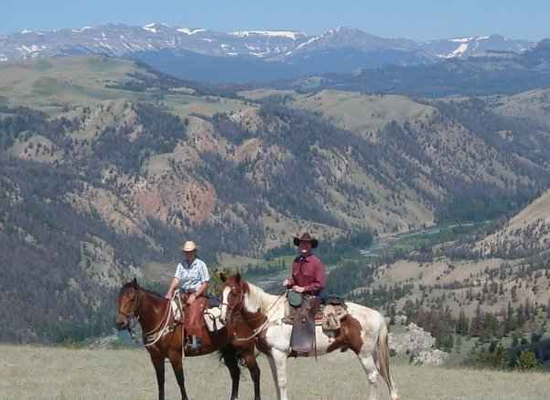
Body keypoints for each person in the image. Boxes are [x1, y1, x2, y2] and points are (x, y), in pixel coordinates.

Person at [165, 240, 210, 350]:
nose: (188, 253)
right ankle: (170, 338)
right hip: (183, 293)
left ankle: (196, 339)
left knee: (193, 311)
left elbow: (205, 283)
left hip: (197, 294)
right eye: (186, 252)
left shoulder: (201, 264)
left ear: (194, 252)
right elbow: (176, 279)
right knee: (169, 309)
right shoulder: (181, 265)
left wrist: (195, 295)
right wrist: (170, 291)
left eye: (190, 251)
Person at [283, 232, 327, 297]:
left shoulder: (317, 262)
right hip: (298, 295)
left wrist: (303, 289)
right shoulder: (296, 261)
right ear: (299, 245)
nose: (304, 245)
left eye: (307, 243)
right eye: (302, 243)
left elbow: (320, 284)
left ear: (311, 246)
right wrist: (289, 282)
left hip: (313, 297)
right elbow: (295, 280)